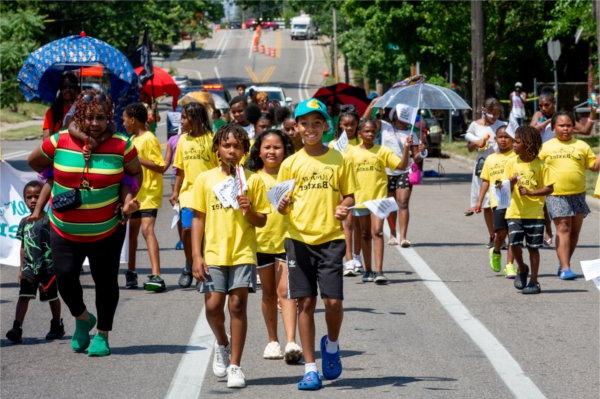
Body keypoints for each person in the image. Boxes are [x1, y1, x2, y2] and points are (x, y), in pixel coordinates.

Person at [27, 89, 142, 356]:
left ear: (108, 117)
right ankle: (81, 318)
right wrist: (55, 175)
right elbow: (34, 161)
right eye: (89, 117)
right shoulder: (59, 141)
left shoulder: (121, 144)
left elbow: (134, 175)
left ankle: (102, 334)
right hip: (64, 230)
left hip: (108, 230)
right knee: (65, 280)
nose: (94, 123)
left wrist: (127, 202)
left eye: (100, 118)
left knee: (106, 283)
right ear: (80, 115)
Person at [277, 99, 356, 391]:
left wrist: (344, 206)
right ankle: (311, 368)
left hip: (331, 239)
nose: (310, 129)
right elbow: (280, 205)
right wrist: (282, 204)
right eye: (304, 124)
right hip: (298, 239)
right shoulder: (289, 164)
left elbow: (349, 195)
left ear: (325, 126)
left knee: (333, 301)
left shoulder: (338, 159)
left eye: (316, 123)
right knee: (305, 302)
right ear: (296, 128)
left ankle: (332, 345)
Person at [191, 124, 270, 389]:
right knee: (213, 307)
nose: (232, 151)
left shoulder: (253, 180)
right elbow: (198, 219)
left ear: (245, 151)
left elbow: (261, 220)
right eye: (227, 145)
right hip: (213, 253)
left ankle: (235, 365)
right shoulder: (205, 179)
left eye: (237, 146)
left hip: (243, 252)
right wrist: (196, 255)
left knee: (237, 306)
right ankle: (222, 343)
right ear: (217, 150)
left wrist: (249, 210)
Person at [246, 129, 303, 363]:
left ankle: (291, 341)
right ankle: (272, 341)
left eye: (277, 147)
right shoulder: (252, 178)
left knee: (286, 291)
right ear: (258, 151)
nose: (272, 151)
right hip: (261, 243)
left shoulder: (293, 176)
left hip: (288, 240)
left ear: (285, 150)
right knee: (268, 293)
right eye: (267, 147)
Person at [538, 111, 599, 280]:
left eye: (569, 125)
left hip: (578, 195)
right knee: (563, 228)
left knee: (574, 232)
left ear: (573, 127)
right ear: (554, 127)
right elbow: (535, 166)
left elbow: (593, 166)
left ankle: (563, 262)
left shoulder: (582, 146)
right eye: (561, 125)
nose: (565, 129)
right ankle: (566, 268)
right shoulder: (546, 147)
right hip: (556, 194)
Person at [347, 119, 410, 284]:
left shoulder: (383, 151)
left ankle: (379, 271)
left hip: (379, 199)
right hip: (360, 200)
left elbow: (401, 166)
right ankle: (368, 270)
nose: (370, 134)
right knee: (365, 234)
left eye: (372, 132)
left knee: (378, 232)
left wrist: (407, 149)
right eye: (366, 131)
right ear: (359, 133)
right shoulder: (351, 152)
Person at [5, 181, 65, 344]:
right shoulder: (24, 222)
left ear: (44, 199)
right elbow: (23, 246)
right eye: (29, 197)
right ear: (24, 199)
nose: (33, 200)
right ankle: (16, 328)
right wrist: (21, 268)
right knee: (23, 297)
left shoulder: (50, 219)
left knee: (52, 297)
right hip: (30, 268)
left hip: (48, 268)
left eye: (37, 197)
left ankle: (56, 324)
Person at [170, 102, 218, 288]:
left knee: (205, 232)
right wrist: (175, 191)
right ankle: (190, 263)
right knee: (187, 230)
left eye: (184, 117)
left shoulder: (211, 139)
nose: (181, 121)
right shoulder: (183, 140)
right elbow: (180, 169)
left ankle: (202, 268)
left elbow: (218, 167)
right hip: (189, 193)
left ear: (195, 119)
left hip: (209, 193)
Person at [504, 126, 554, 294]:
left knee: (533, 247)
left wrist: (531, 192)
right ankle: (522, 267)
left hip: (535, 214)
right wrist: (509, 184)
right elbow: (503, 189)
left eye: (517, 142)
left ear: (529, 144)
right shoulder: (511, 163)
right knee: (514, 243)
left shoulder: (541, 166)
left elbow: (549, 188)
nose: (513, 145)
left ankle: (534, 281)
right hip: (515, 212)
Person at [122, 103, 166, 292]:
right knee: (132, 234)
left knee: (147, 230)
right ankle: (131, 272)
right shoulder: (131, 139)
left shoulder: (149, 138)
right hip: (135, 192)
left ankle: (156, 275)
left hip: (149, 191)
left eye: (124, 119)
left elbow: (160, 166)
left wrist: (137, 159)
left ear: (133, 119)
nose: (123, 123)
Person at [473, 125, 517, 278]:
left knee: (514, 234)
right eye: (500, 137)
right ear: (495, 139)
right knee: (501, 233)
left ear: (513, 139)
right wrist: (479, 201)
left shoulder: (517, 157)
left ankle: (510, 265)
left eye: (507, 137)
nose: (503, 140)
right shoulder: (491, 158)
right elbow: (485, 181)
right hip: (497, 201)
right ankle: (496, 250)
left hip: (515, 201)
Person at [381, 104, 427, 248]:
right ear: (394, 116)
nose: (404, 121)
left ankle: (404, 237)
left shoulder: (411, 133)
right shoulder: (385, 128)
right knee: (391, 205)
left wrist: (422, 151)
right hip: (386, 172)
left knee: (403, 203)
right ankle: (393, 233)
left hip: (405, 172)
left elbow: (417, 157)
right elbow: (366, 119)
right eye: (401, 117)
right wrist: (376, 103)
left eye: (406, 117)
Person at [465, 97, 505, 248]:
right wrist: (477, 142)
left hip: (500, 166)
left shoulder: (502, 125)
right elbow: (468, 147)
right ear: (484, 110)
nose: (494, 117)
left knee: (500, 202)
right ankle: (492, 235)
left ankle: (501, 235)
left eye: (497, 113)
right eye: (491, 113)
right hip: (482, 167)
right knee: (487, 204)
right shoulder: (475, 126)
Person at [329, 105, 363, 276]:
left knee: (359, 227)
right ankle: (348, 260)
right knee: (347, 224)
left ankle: (357, 256)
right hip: (345, 191)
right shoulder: (333, 145)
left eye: (352, 124)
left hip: (363, 190)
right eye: (345, 124)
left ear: (357, 124)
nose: (349, 128)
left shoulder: (362, 143)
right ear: (340, 125)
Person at [43, 73, 80, 138]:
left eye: (71, 87)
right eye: (64, 87)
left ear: (76, 88)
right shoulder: (52, 111)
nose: (67, 90)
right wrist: (65, 127)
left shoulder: (82, 109)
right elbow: (46, 140)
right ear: (60, 89)